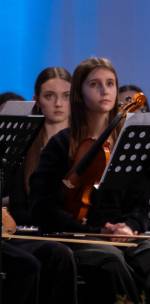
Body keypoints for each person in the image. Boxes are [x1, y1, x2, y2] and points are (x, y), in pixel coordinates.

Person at [29, 57, 150, 303]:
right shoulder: (61, 145)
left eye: (110, 83)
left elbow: (144, 201)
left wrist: (129, 226)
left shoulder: (130, 144)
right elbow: (42, 206)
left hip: (124, 234)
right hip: (82, 236)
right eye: (94, 84)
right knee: (110, 261)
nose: (104, 90)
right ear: (79, 94)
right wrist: (96, 232)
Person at [3, 67, 78, 304]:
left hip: (71, 229)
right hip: (31, 231)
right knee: (53, 255)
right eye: (49, 96)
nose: (58, 104)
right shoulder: (23, 146)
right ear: (37, 100)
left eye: (66, 96)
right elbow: (17, 204)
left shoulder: (84, 144)